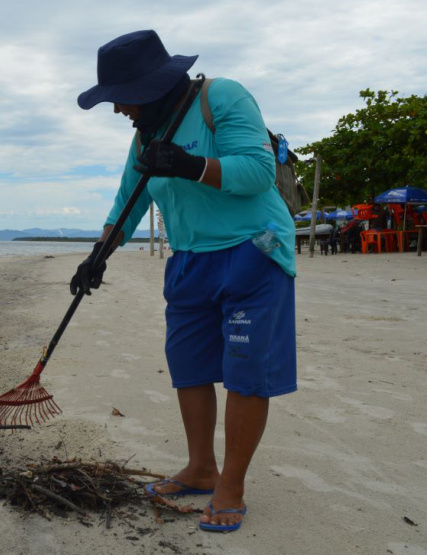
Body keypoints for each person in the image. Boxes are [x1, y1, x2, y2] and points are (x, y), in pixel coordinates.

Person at [72, 30, 297, 533]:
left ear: (152, 85)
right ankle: (200, 468)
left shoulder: (224, 97)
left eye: (119, 98)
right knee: (189, 366)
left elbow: (258, 172)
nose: (117, 110)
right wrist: (98, 256)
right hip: (190, 261)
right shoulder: (144, 136)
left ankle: (231, 485)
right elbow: (127, 203)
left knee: (244, 370)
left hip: (253, 253)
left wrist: (191, 165)